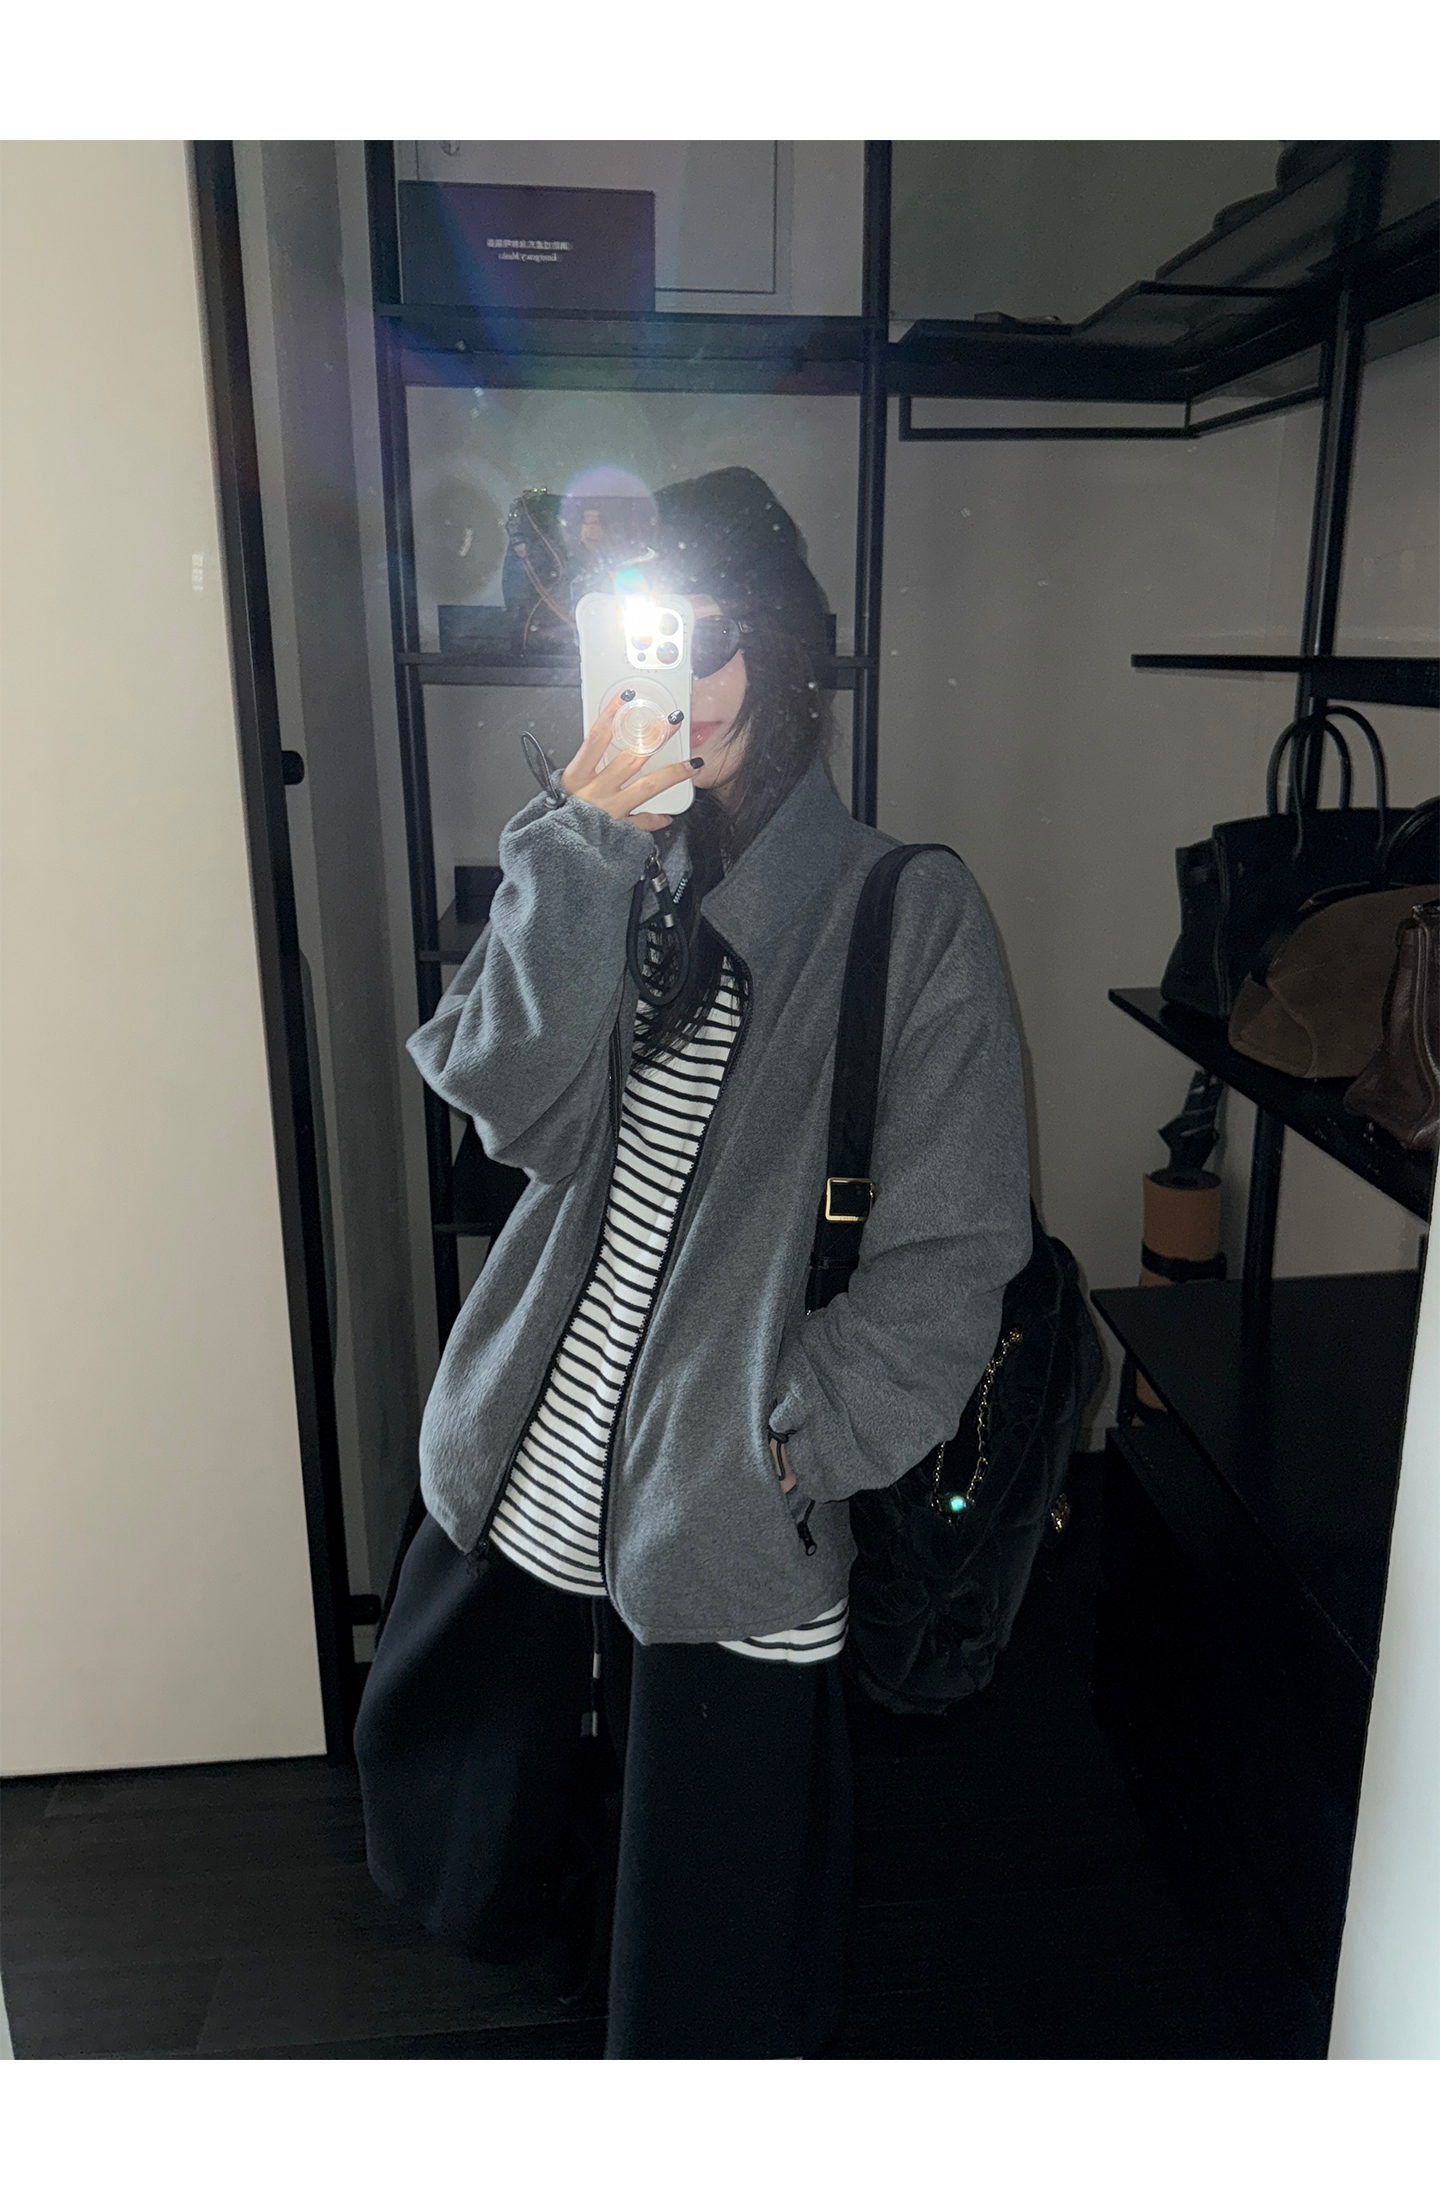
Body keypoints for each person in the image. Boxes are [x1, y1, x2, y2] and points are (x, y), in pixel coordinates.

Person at [353, 466, 1032, 2058]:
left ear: (792, 656)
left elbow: (950, 1262)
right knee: (506, 1857)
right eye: (661, 638)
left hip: (730, 1513)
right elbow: (506, 1104)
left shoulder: (905, 912)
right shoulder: (609, 861)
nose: (695, 683)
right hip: (536, 1478)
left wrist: (787, 1448)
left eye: (728, 639)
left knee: (709, 1969)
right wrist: (586, 848)